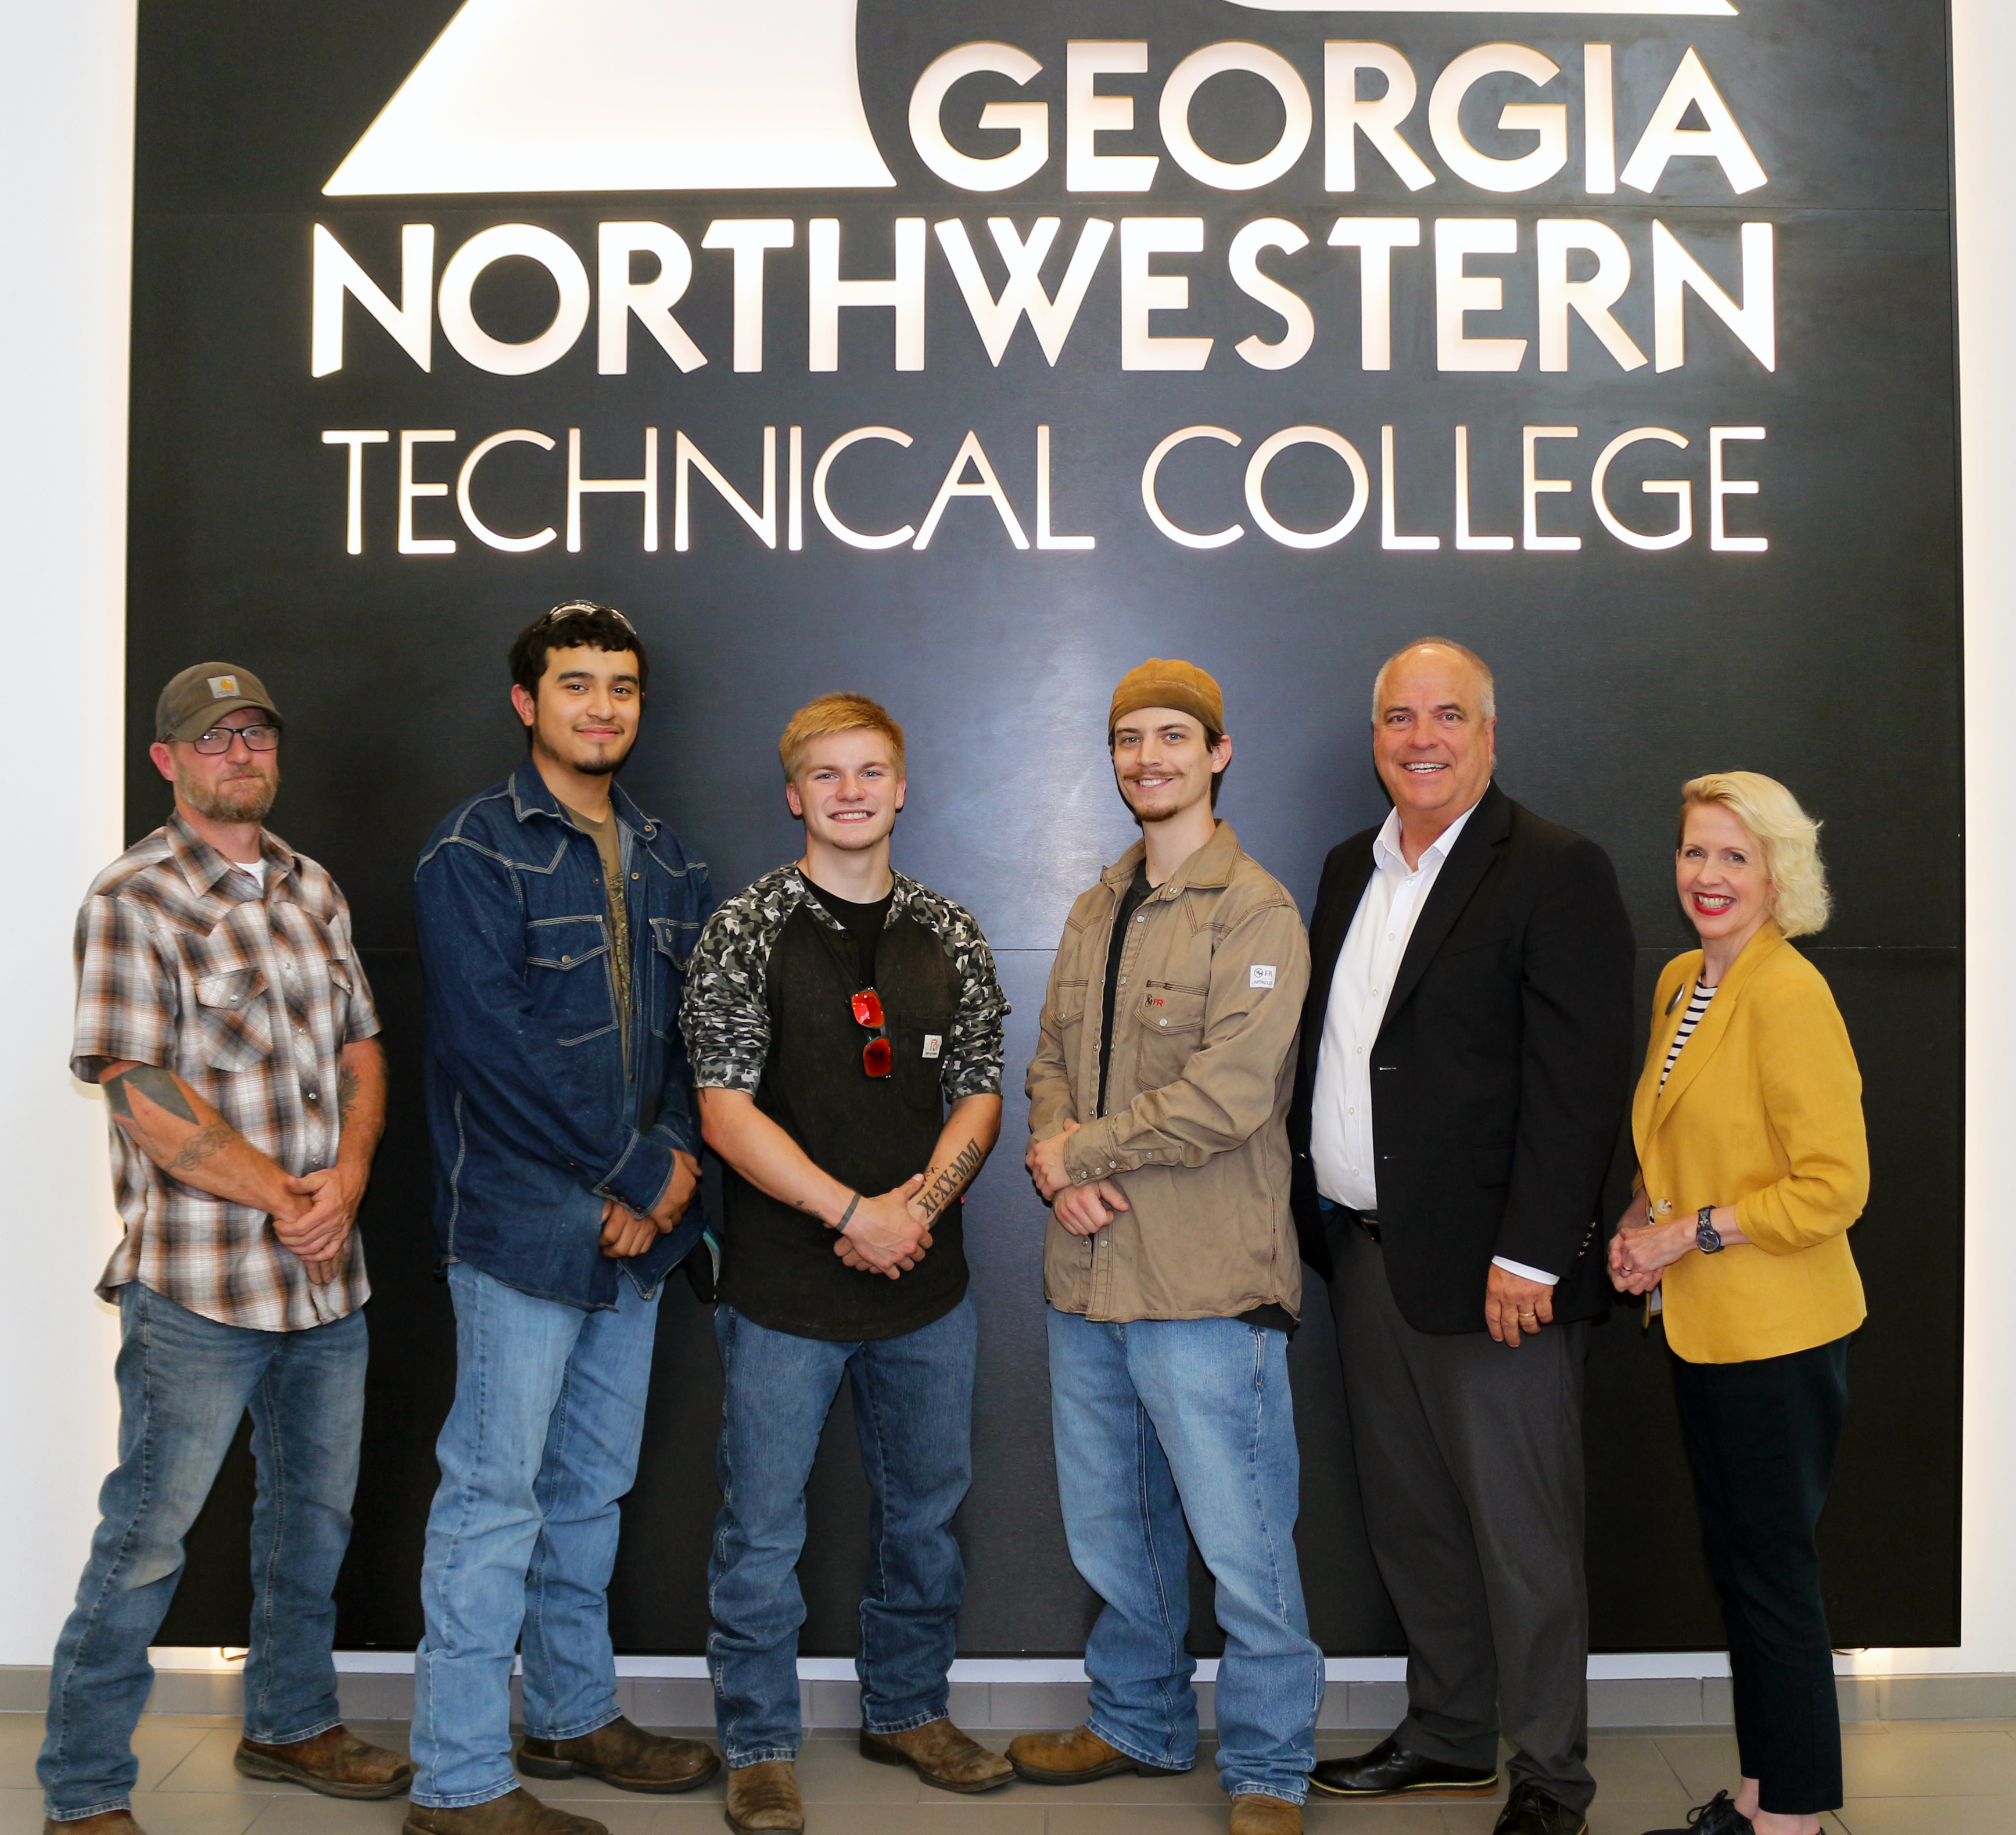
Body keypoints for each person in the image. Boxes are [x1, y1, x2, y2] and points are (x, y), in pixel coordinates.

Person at [41, 663, 407, 1835]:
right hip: (201, 1289)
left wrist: (344, 1183)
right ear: (169, 761)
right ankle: (85, 1790)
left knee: (314, 1526)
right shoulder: (132, 899)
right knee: (146, 1543)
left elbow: (362, 1050)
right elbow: (139, 1090)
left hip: (326, 1284)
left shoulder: (311, 886)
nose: (238, 752)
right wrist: (285, 1196)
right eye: (212, 739)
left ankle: (291, 1723)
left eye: (253, 732)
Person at [1289, 639, 1635, 1835]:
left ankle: (1549, 1774)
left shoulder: (1553, 868)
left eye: (1446, 715)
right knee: (1415, 1522)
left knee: (1521, 1536)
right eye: (1398, 717)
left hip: (1500, 1277)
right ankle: (1446, 1738)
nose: (1420, 737)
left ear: (1490, 733)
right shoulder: (1350, 869)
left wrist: (1534, 1253)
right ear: (1374, 735)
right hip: (1366, 1256)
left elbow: (1580, 1082)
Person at [407, 603, 718, 1835]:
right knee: (494, 1497)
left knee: (590, 1488)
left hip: (642, 1233)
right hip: (521, 1232)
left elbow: (702, 1042)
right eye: (576, 683)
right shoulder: (471, 853)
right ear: (525, 702)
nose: (602, 705)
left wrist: (675, 1164)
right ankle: (458, 1779)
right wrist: (635, 1170)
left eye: (623, 686)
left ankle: (573, 1711)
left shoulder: (672, 857)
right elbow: (491, 1048)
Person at [683, 693, 1013, 1835]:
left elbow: (979, 1089)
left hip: (926, 1287)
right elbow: (722, 1111)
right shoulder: (744, 928)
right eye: (827, 775)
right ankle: (762, 1742)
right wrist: (848, 1214)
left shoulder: (950, 931)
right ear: (795, 793)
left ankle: (909, 1708)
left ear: (903, 783)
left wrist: (914, 1206)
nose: (851, 792)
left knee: (925, 1515)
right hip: (783, 1292)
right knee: (761, 1531)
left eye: (871, 771)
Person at [1014, 659, 1320, 1835]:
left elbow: (1230, 1092)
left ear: (1218, 751)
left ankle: (1269, 1766)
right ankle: (1136, 1719)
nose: (1148, 757)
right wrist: (1052, 1151)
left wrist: (1077, 1158)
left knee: (1245, 1542)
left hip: (1202, 1284)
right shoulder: (1098, 903)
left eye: (1172, 737)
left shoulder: (1257, 909)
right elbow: (1048, 1056)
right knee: (1113, 1531)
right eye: (1128, 738)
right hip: (1089, 1277)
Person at [1609, 774, 1868, 1835]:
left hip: (1779, 1337)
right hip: (1701, 1328)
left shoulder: (1787, 990)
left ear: (1777, 875)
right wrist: (1640, 1224)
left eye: (1733, 857)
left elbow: (1833, 1184)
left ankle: (1792, 1821)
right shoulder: (1684, 979)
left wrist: (1691, 1232)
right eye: (1693, 854)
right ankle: (1762, 1792)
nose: (1707, 877)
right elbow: (1674, 1140)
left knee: (1774, 1580)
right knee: (1740, 1572)